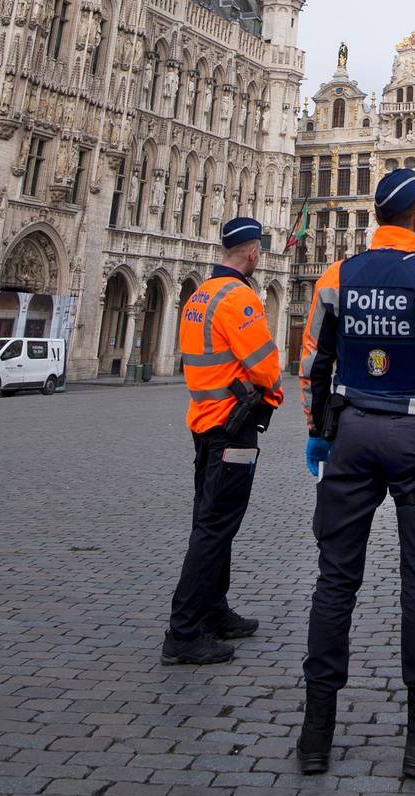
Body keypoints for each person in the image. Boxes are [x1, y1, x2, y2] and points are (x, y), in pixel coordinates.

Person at [296, 169, 415, 778]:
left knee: (334, 581)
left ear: (375, 219)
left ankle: (315, 735)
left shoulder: (337, 276)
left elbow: (312, 359)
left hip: (351, 434)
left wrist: (317, 430)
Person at [162, 217, 284, 666]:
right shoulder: (239, 299)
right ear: (252, 253)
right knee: (215, 528)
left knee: (213, 522)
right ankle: (184, 631)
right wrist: (271, 392)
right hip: (233, 427)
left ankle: (214, 610)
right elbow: (267, 367)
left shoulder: (200, 295)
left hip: (203, 421)